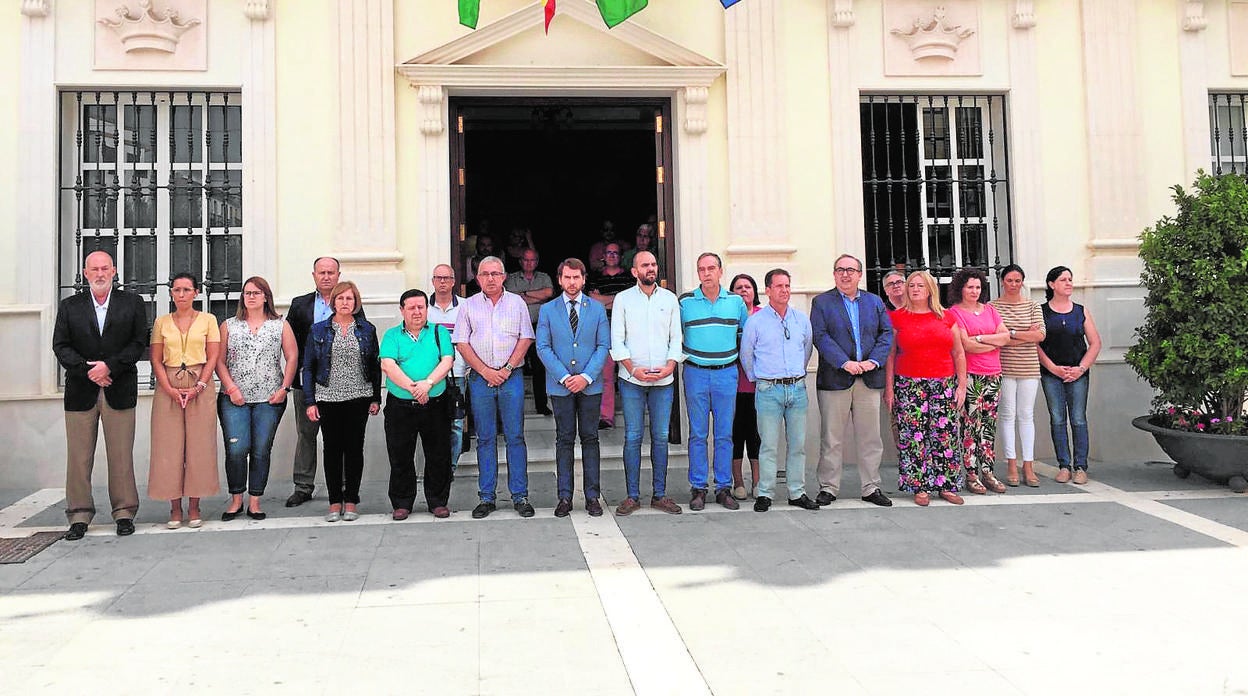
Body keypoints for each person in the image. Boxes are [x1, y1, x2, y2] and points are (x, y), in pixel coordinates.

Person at [52, 250, 146, 539]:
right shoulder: (70, 306)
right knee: (79, 458)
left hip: (119, 388)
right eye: (95, 269)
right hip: (81, 391)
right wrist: (88, 370)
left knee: (120, 455)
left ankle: (124, 512)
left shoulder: (132, 303)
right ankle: (79, 515)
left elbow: (139, 341)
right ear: (85, 273)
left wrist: (110, 367)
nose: (100, 273)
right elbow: (61, 345)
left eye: (105, 268)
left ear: (114, 271)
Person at [453, 255, 536, 519]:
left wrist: (507, 369)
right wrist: (486, 371)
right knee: (485, 438)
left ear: (504, 277)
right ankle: (486, 497)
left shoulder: (517, 303)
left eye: (495, 274)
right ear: (477, 278)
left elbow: (526, 337)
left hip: (511, 377)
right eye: (484, 274)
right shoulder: (468, 307)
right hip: (480, 378)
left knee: (515, 437)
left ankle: (520, 496)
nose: (490, 278)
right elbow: (462, 343)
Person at [810, 254, 895, 508]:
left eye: (851, 270)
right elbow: (820, 336)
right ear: (834, 274)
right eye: (840, 270)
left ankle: (871, 487)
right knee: (831, 438)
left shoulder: (874, 301)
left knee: (870, 437)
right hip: (835, 379)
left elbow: (886, 333)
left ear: (860, 274)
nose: (845, 274)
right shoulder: (822, 302)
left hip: (868, 379)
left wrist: (875, 361)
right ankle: (828, 487)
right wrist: (844, 362)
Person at [285, 257, 367, 508]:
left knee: (342, 439)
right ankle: (303, 485)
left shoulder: (350, 301)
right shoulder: (300, 305)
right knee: (306, 434)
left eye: (331, 272)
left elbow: (362, 336)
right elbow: (290, 341)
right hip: (307, 382)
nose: (327, 276)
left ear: (339, 275)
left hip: (342, 385)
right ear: (314, 275)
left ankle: (344, 486)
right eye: (322, 272)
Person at [215, 276, 298, 521]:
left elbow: (292, 357)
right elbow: (218, 360)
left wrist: (284, 388)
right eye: (247, 292)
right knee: (237, 448)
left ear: (266, 297)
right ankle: (236, 499)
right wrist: (231, 388)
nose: (251, 296)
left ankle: (255, 501)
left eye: (256, 292)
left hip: (270, 398)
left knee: (261, 449)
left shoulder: (279, 325)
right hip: (234, 398)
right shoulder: (229, 325)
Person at [884, 271, 968, 507]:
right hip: (909, 383)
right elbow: (890, 355)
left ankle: (946, 485)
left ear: (931, 288)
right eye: (911, 285)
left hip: (943, 382)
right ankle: (919, 485)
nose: (915, 289)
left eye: (921, 285)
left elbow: (959, 353)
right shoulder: (897, 318)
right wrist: (889, 388)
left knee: (945, 435)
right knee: (913, 436)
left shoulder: (947, 316)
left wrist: (961, 385)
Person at [610, 251, 684, 515]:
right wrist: (633, 369)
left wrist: (670, 367)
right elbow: (617, 340)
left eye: (653, 264)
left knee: (661, 437)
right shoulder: (623, 300)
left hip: (664, 380)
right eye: (645, 265)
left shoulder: (670, 299)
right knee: (633, 437)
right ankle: (632, 496)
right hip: (632, 380)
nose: (650, 268)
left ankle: (660, 494)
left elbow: (676, 339)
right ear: (634, 271)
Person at [740, 269, 819, 512]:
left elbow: (806, 349)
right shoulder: (755, 321)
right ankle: (765, 492)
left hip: (796, 389)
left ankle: (797, 492)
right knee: (768, 445)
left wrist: (796, 373)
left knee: (797, 444)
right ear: (768, 290)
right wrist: (760, 379)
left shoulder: (801, 319)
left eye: (787, 285)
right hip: (768, 390)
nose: (784, 290)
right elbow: (747, 355)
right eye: (779, 286)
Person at [302, 281, 381, 522]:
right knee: (332, 450)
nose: (345, 303)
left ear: (356, 303)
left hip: (359, 396)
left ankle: (352, 501)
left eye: (350, 299)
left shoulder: (367, 329)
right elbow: (309, 368)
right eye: (341, 298)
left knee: (355, 450)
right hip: (327, 397)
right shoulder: (318, 330)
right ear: (333, 302)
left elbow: (375, 366)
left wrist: (376, 397)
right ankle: (335, 501)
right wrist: (310, 401)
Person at [536, 258, 610, 517]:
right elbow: (543, 347)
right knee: (564, 439)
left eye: (576, 277)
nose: (571, 282)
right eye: (567, 277)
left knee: (590, 438)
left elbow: (603, 346)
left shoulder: (597, 309)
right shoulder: (548, 310)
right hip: (560, 386)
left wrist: (587, 376)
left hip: (590, 386)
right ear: (559, 279)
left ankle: (592, 497)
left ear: (584, 279)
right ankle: (564, 497)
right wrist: (565, 376)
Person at [149, 272, 221, 528]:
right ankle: (174, 507)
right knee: (169, 446)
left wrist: (200, 385)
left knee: (199, 446)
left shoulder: (208, 320)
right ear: (171, 293)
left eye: (186, 290)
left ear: (196, 293)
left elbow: (213, 356)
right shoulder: (161, 322)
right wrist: (167, 388)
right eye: (177, 290)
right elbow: (156, 358)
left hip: (199, 379)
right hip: (169, 383)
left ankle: (194, 505)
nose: (181, 295)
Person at [679, 252, 750, 511]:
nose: (706, 273)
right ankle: (698, 488)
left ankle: (723, 487)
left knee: (724, 434)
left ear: (721, 271)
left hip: (726, 373)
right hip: (695, 372)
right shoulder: (685, 302)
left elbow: (746, 338)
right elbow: (674, 336)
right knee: (697, 434)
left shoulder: (735, 302)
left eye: (711, 268)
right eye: (701, 269)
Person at [380, 289, 455, 520]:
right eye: (411, 307)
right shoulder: (392, 335)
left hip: (436, 403)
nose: (416, 312)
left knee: (438, 454)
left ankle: (438, 501)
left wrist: (428, 384)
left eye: (421, 307)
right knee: (400, 455)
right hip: (401, 406)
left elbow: (448, 360)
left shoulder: (438, 332)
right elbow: (388, 365)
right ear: (402, 310)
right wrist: (414, 388)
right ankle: (402, 502)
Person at [948, 268, 1010, 495]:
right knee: (970, 425)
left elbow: (1005, 337)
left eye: (977, 287)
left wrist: (982, 338)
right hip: (971, 374)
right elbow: (966, 345)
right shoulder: (955, 313)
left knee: (988, 425)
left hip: (994, 374)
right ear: (961, 289)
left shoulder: (990, 311)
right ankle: (971, 474)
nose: (974, 291)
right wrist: (993, 342)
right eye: (969, 287)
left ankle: (988, 471)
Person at [1038, 266, 1102, 485]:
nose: (1068, 283)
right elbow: (1036, 344)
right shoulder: (1042, 311)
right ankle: (1063, 465)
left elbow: (1095, 343)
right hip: (1051, 373)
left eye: (1070, 279)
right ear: (1051, 284)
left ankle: (1080, 466)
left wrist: (1081, 369)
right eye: (1063, 279)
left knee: (1078, 418)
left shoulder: (1080, 311)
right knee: (1057, 418)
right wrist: (1053, 367)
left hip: (1078, 373)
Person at [989, 264, 1047, 487]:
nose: (1013, 285)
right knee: (1007, 415)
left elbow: (1040, 335)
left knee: (1026, 415)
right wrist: (1025, 334)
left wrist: (1011, 333)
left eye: (1017, 280)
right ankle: (1011, 463)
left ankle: (1029, 465)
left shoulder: (1032, 305)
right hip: (1002, 366)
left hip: (1029, 367)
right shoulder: (993, 307)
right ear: (1002, 281)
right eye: (1009, 280)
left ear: (1022, 282)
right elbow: (995, 336)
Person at [587, 241, 634, 429]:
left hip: (627, 329)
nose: (612, 256)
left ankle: (633, 416)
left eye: (616, 253)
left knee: (630, 372)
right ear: (603, 256)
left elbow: (631, 303)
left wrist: (605, 300)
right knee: (606, 375)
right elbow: (593, 301)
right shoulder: (595, 277)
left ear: (621, 256)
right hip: (604, 328)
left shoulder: (631, 279)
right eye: (609, 253)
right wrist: (618, 299)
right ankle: (606, 417)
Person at [428, 264, 469, 471]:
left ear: (454, 281)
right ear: (433, 281)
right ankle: (435, 468)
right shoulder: (422, 308)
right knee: (433, 425)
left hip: (458, 373)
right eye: (438, 278)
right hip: (430, 376)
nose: (442, 282)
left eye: (446, 278)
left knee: (456, 424)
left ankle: (450, 469)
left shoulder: (466, 306)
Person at [505, 248, 555, 416]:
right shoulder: (511, 279)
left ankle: (541, 405)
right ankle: (511, 407)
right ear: (520, 261)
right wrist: (538, 297)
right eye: (525, 260)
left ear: (537, 261)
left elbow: (548, 293)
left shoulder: (544, 277)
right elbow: (511, 298)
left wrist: (524, 294)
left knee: (540, 367)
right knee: (512, 365)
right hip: (516, 328)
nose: (529, 263)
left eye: (532, 260)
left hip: (539, 326)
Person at [728, 273, 762, 500]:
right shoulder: (729, 315)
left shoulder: (763, 316)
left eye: (747, 287)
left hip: (759, 385)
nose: (743, 290)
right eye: (738, 287)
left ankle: (759, 482)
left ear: (754, 291)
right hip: (734, 384)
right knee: (736, 434)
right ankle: (738, 482)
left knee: (756, 435)